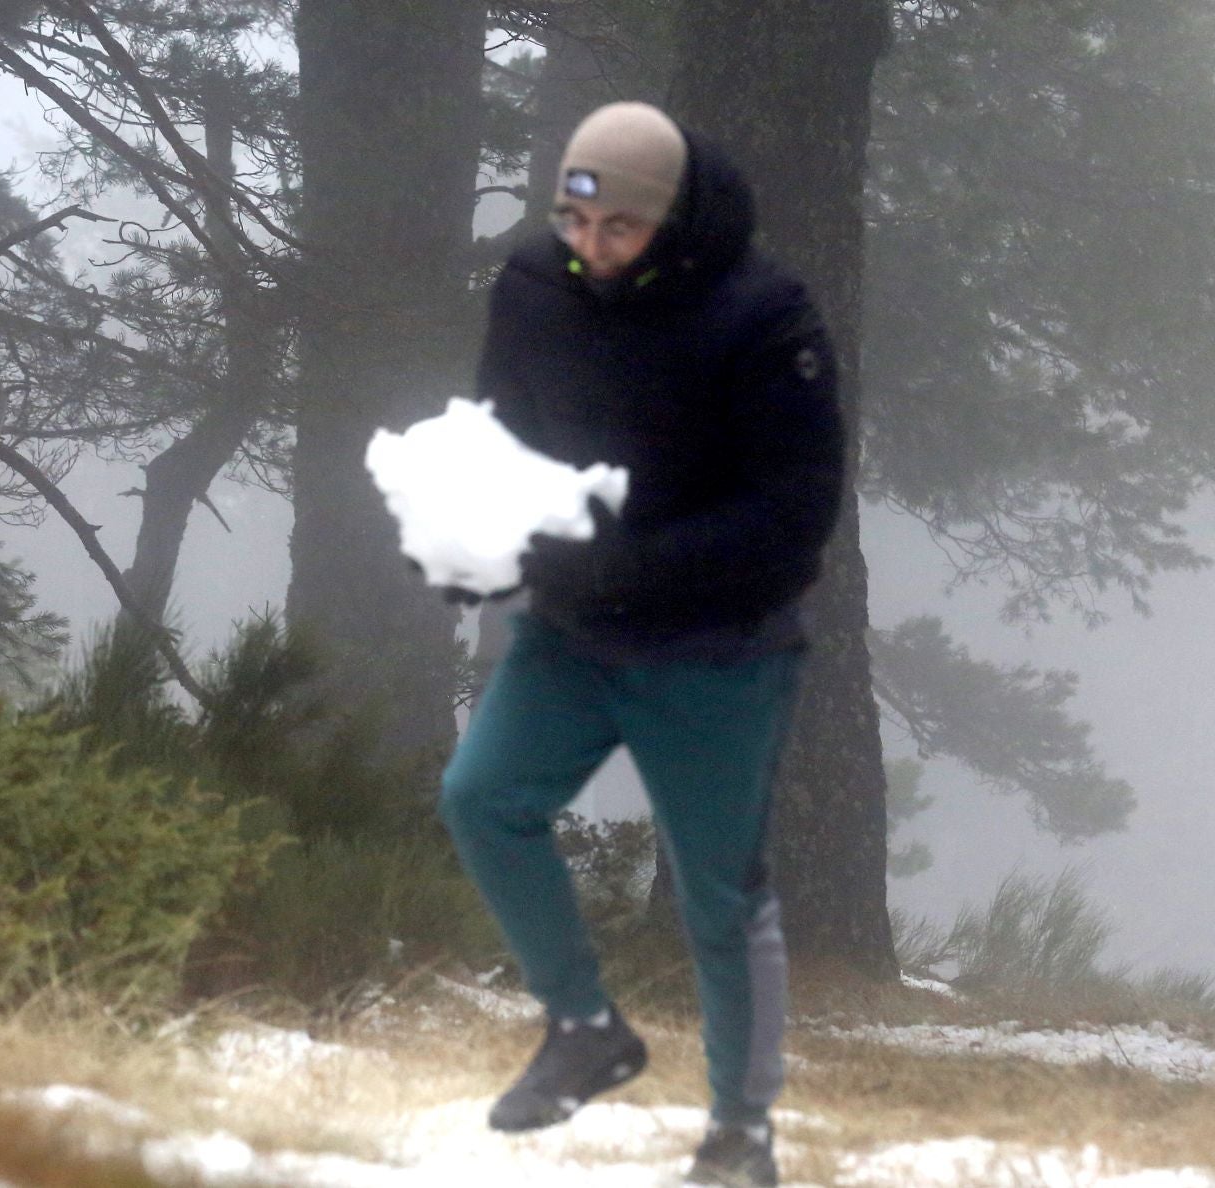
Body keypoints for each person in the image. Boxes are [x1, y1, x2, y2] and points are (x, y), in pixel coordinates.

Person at [437, 100, 843, 1188]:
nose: (593, 248)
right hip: (571, 632)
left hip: (719, 651)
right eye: (575, 222)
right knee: (482, 798)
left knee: (720, 896)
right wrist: (471, 535)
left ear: (673, 219)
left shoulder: (765, 316)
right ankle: (584, 1028)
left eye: (619, 227)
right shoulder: (535, 284)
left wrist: (637, 565)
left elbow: (795, 511)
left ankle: (741, 1133)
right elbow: (500, 435)